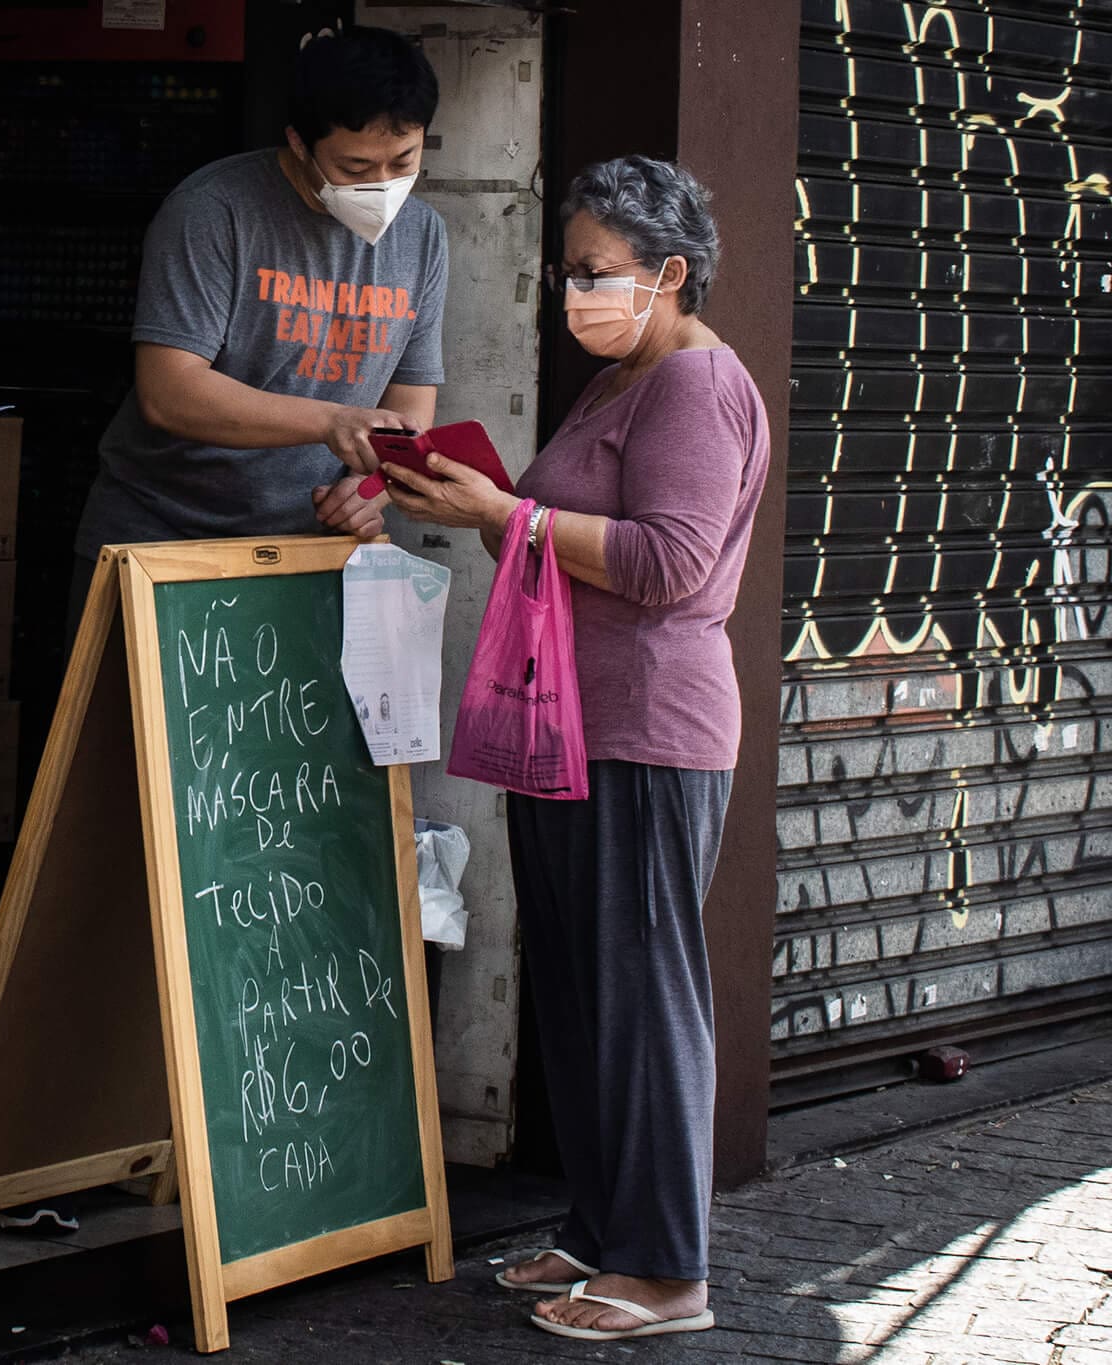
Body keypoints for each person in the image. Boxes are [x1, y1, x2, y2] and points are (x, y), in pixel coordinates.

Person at [381, 155, 769, 1342]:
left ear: (670, 273)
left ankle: (664, 1274)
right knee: (581, 995)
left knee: (642, 998)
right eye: (567, 271)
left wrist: (502, 514)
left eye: (597, 273)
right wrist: (477, 505)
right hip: (569, 722)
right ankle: (602, 1235)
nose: (574, 293)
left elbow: (665, 565)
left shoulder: (695, 388)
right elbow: (568, 544)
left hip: (647, 732)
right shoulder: (617, 383)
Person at [66, 25, 449, 629]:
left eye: (403, 161)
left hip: (312, 552)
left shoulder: (423, 236)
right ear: (299, 143)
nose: (382, 184)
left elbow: (409, 408)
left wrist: (367, 488)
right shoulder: (213, 211)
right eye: (354, 166)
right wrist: (330, 421)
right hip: (163, 546)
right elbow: (169, 392)